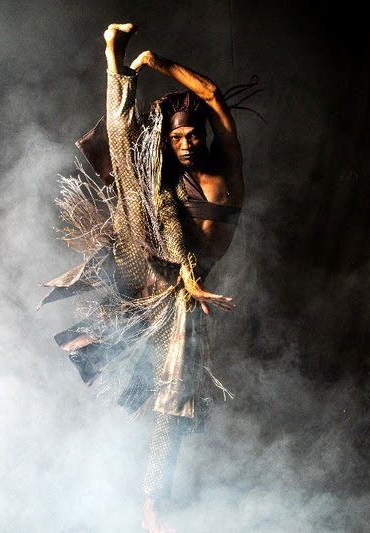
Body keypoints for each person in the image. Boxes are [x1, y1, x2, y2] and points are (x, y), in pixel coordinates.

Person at [39, 22, 249, 532]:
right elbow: (166, 219)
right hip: (152, 260)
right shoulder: (166, 184)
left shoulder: (228, 167)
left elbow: (213, 94)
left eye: (190, 134)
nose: (183, 143)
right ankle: (114, 63)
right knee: (131, 172)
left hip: (180, 295)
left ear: (204, 134)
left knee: (173, 397)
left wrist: (157, 61)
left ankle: (153, 498)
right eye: (174, 136)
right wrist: (185, 274)